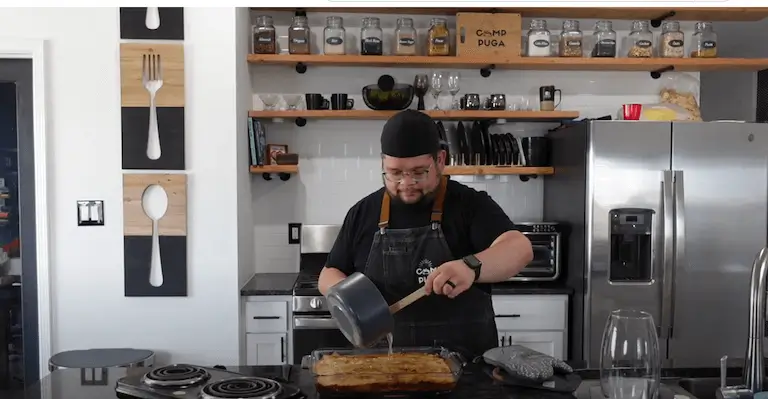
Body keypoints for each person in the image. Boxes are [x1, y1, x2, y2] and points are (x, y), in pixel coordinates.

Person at [318, 110, 534, 357]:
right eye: (395, 173)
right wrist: (352, 300)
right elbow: (329, 272)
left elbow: (519, 248)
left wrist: (471, 266)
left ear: (440, 160)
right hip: (384, 363)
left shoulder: (470, 205)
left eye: (419, 172)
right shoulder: (363, 212)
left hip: (464, 364)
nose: (406, 183)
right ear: (383, 164)